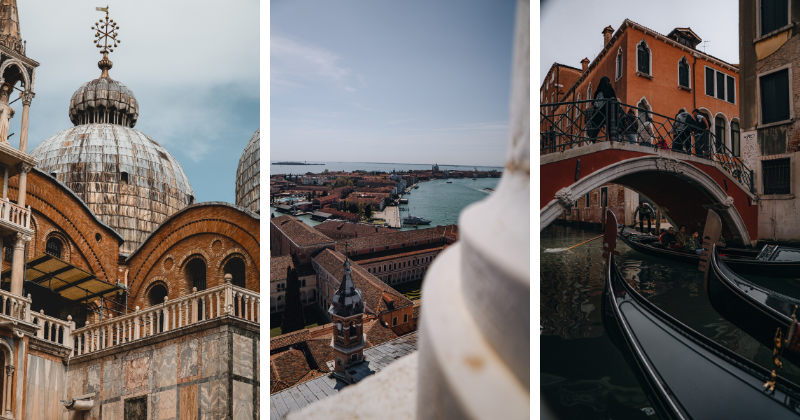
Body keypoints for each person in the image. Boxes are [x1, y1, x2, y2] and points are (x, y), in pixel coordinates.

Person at [587, 76, 618, 143]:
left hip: (601, 112)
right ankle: (613, 140)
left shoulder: (599, 89)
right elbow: (614, 100)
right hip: (610, 112)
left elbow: (597, 103)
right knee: (611, 126)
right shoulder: (610, 89)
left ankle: (592, 141)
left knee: (597, 126)